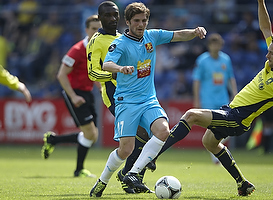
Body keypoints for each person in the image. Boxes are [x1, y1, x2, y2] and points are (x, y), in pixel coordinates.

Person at [153, 0, 273, 196]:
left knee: (190, 115)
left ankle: (153, 157)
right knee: (209, 142)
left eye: (271, 54)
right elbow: (265, 26)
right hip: (230, 109)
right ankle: (242, 183)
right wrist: (261, 1)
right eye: (268, 51)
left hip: (238, 119)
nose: (267, 56)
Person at [89, 2, 207, 197]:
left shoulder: (152, 36)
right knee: (125, 149)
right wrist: (121, 69)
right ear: (127, 22)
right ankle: (102, 181)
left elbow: (177, 35)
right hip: (126, 101)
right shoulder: (120, 43)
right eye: (136, 21)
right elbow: (108, 64)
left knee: (163, 130)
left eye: (144, 20)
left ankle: (133, 173)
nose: (141, 24)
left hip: (148, 100)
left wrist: (194, 32)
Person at [87, 1, 155, 194]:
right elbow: (92, 73)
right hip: (114, 95)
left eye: (115, 15)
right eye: (108, 15)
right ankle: (129, 176)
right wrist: (114, 74)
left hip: (134, 93)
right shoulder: (96, 41)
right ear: (100, 18)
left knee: (148, 133)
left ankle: (130, 176)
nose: (113, 19)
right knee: (140, 135)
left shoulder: (122, 37)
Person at [41, 15, 102, 178]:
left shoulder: (97, 48)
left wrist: (101, 87)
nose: (97, 32)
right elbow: (61, 75)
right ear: (86, 30)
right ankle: (78, 170)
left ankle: (53, 141)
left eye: (99, 29)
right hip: (74, 93)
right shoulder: (76, 50)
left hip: (87, 93)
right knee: (90, 134)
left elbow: (93, 72)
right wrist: (73, 96)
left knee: (92, 135)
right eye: (94, 29)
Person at [193, 33, 237, 164]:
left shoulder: (226, 59)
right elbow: (196, 80)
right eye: (213, 44)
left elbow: (230, 77)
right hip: (207, 98)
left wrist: (235, 94)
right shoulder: (202, 60)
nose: (215, 47)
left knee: (226, 128)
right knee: (212, 128)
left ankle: (215, 150)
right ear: (209, 46)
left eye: (217, 44)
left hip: (222, 98)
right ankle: (216, 154)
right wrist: (196, 98)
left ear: (221, 45)